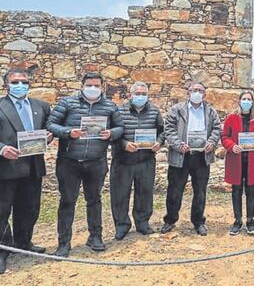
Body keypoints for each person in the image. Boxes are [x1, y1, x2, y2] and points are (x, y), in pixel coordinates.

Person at [47, 72, 124, 257]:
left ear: (102, 87)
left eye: (97, 85)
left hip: (96, 162)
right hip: (69, 162)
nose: (93, 88)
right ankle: (64, 243)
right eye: (89, 85)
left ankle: (95, 237)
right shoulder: (67, 103)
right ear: (82, 85)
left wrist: (111, 134)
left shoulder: (110, 106)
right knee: (67, 202)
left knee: (95, 200)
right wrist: (67, 132)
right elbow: (50, 124)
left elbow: (120, 127)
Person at [0, 68, 52, 274]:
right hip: (6, 169)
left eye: (24, 81)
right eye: (15, 81)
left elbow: (50, 127)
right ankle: (3, 249)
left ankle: (24, 242)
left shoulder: (41, 106)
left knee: (30, 208)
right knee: (2, 211)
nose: (20, 85)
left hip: (33, 167)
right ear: (6, 85)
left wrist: (50, 135)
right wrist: (2, 149)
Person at [161, 82, 221, 236]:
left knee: (200, 191)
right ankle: (170, 220)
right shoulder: (177, 109)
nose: (197, 92)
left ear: (204, 94)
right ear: (188, 93)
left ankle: (198, 221)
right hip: (181, 155)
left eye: (200, 90)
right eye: (194, 90)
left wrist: (212, 142)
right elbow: (169, 129)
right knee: (174, 190)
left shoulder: (210, 111)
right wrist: (177, 144)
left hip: (202, 157)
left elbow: (216, 129)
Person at [110, 81, 164, 240]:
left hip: (146, 160)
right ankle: (121, 225)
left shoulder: (154, 111)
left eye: (144, 94)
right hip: (123, 160)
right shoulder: (118, 111)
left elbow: (162, 131)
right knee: (120, 194)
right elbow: (111, 134)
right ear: (130, 95)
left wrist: (159, 143)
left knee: (145, 192)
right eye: (137, 93)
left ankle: (143, 223)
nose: (141, 96)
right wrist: (124, 144)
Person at [221, 91, 254, 236]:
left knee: (251, 191)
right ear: (239, 101)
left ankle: (250, 221)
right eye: (244, 99)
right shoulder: (231, 117)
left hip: (252, 160)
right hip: (236, 160)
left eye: (249, 99)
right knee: (236, 191)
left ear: (253, 102)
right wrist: (231, 146)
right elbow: (224, 136)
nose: (246, 101)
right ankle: (237, 220)